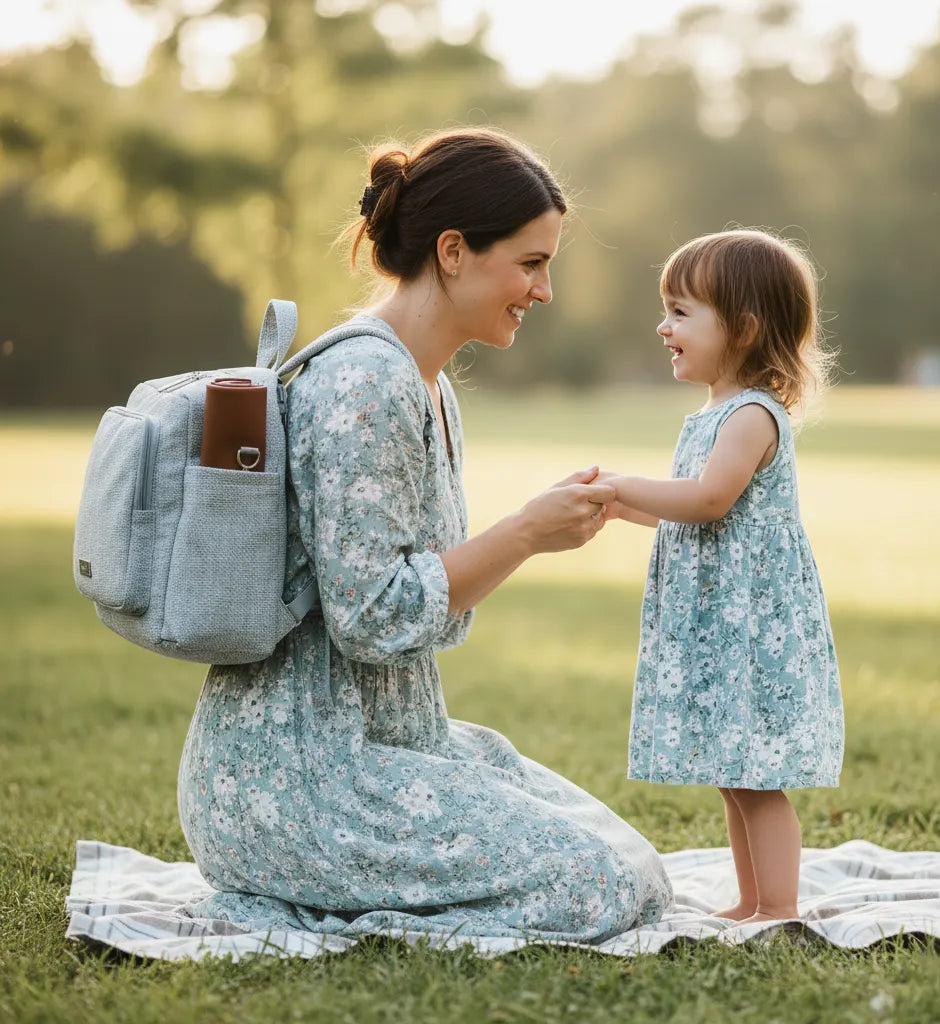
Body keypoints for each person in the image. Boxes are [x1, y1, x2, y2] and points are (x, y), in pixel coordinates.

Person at [177, 128, 673, 942]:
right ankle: (300, 904)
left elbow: (427, 600)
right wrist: (522, 535)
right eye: (531, 262)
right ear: (452, 251)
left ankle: (342, 902)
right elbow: (372, 618)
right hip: (302, 781)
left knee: (638, 871)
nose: (543, 290)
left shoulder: (428, 386)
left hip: (399, 748)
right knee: (598, 886)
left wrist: (535, 526)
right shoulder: (365, 383)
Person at [599, 229, 844, 925]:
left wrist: (625, 485)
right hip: (720, 626)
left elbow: (710, 500)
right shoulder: (712, 413)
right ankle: (751, 898)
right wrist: (623, 506)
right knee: (734, 776)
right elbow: (692, 515)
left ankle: (781, 904)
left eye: (681, 312)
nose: (663, 326)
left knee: (757, 778)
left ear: (741, 328)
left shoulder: (751, 416)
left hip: (750, 627)